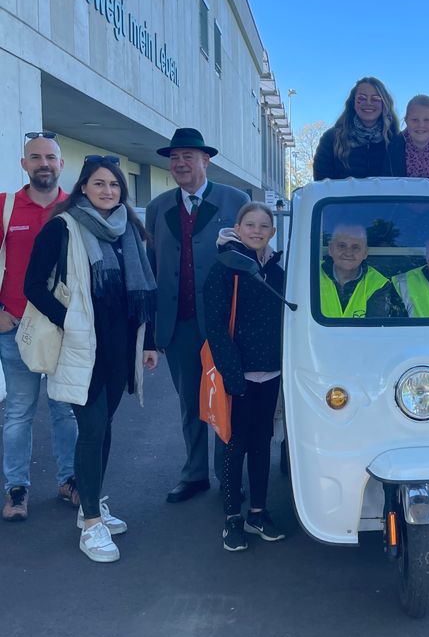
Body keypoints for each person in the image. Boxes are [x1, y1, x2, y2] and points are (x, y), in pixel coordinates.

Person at [24, 156, 158, 562]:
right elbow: (33, 285)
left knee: (106, 427)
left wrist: (148, 341)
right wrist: (72, 321)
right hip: (83, 347)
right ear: (83, 187)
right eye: (99, 184)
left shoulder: (128, 228)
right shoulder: (62, 229)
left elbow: (144, 290)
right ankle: (91, 524)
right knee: (93, 427)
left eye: (114, 185)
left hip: (120, 346)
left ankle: (91, 504)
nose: (107, 191)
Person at [146, 128, 249, 503]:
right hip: (179, 323)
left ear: (206, 160)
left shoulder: (234, 200)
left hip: (225, 322)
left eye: (188, 156)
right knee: (190, 402)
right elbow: (154, 267)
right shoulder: (159, 207)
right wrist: (151, 333)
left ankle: (227, 474)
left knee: (225, 398)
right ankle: (193, 474)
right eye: (175, 157)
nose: (180, 163)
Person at [1, 133, 78, 521]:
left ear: (61, 165)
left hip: (64, 328)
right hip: (14, 327)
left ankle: (70, 480)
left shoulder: (76, 208)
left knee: (65, 410)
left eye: (50, 157)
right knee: (19, 412)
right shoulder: (5, 207)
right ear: (24, 164)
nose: (43, 163)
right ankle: (16, 489)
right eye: (36, 157)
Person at [203, 203, 287, 551]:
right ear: (237, 228)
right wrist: (233, 374)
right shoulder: (224, 269)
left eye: (263, 225)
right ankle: (232, 517)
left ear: (272, 231)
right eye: (249, 224)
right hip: (237, 374)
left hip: (272, 373)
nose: (256, 230)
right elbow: (216, 328)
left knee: (262, 442)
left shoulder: (280, 269)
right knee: (234, 445)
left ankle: (258, 511)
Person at [313, 78, 400, 180]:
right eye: (362, 98)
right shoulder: (331, 139)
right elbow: (322, 183)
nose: (368, 103)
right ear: (353, 103)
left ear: (384, 103)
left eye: (375, 98)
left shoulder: (396, 141)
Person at [319, 221, 404, 318]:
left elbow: (374, 328)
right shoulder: (309, 274)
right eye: (342, 246)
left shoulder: (378, 284)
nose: (348, 253)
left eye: (355, 247)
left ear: (365, 253)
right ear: (330, 249)